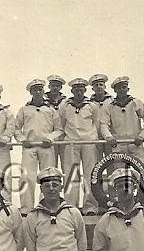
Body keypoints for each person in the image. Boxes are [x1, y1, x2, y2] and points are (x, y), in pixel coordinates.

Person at [15, 79, 63, 216]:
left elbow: (59, 129)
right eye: (34, 90)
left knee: (48, 177)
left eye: (40, 89)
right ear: (30, 92)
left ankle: (46, 206)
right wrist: (23, 140)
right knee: (27, 177)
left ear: (43, 91)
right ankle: (26, 208)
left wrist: (50, 138)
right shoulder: (24, 109)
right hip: (29, 147)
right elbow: (16, 129)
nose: (37, 92)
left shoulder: (51, 110)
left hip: (46, 146)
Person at [59, 77, 99, 215]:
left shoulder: (91, 106)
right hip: (71, 142)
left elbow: (96, 123)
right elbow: (61, 123)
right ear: (72, 91)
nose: (79, 92)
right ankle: (71, 206)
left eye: (81, 90)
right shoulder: (65, 105)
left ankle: (90, 206)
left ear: (85, 90)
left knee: (90, 174)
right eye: (76, 90)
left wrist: (92, 138)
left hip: (88, 142)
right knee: (71, 174)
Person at [100, 76, 144, 164]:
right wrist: (108, 137)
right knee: (120, 172)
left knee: (140, 170)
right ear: (115, 90)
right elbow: (104, 124)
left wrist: (142, 136)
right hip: (118, 144)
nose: (121, 90)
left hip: (135, 144)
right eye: (118, 88)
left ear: (128, 89)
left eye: (123, 87)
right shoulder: (109, 107)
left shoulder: (136, 103)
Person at [44, 75, 67, 169]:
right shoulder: (42, 100)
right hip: (49, 137)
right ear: (49, 86)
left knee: (66, 165)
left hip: (64, 137)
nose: (55, 88)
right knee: (50, 165)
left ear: (61, 87)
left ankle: (66, 184)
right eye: (53, 85)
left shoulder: (66, 101)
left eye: (57, 86)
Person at [89, 74, 113, 160]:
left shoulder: (112, 101)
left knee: (111, 163)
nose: (99, 87)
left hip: (110, 138)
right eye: (96, 85)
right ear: (93, 88)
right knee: (96, 164)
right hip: (95, 139)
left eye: (101, 84)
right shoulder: (89, 103)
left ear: (105, 86)